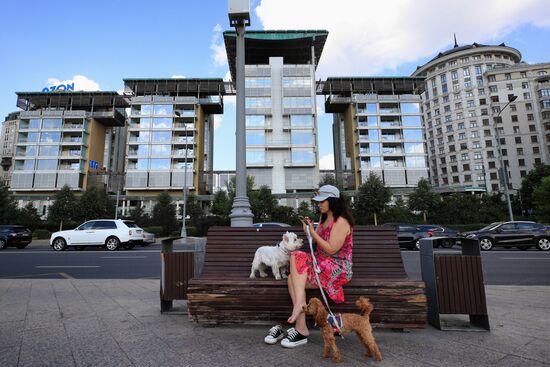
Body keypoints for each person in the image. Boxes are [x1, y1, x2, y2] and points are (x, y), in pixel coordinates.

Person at [264, 185, 354, 348]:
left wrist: (312, 233)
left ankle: (301, 324)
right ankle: (300, 319)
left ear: (332, 201)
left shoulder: (341, 221)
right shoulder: (324, 218)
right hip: (321, 263)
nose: (319, 204)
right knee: (294, 265)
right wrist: (308, 230)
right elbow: (317, 241)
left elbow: (331, 249)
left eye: (322, 201)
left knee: (294, 272)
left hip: (337, 268)